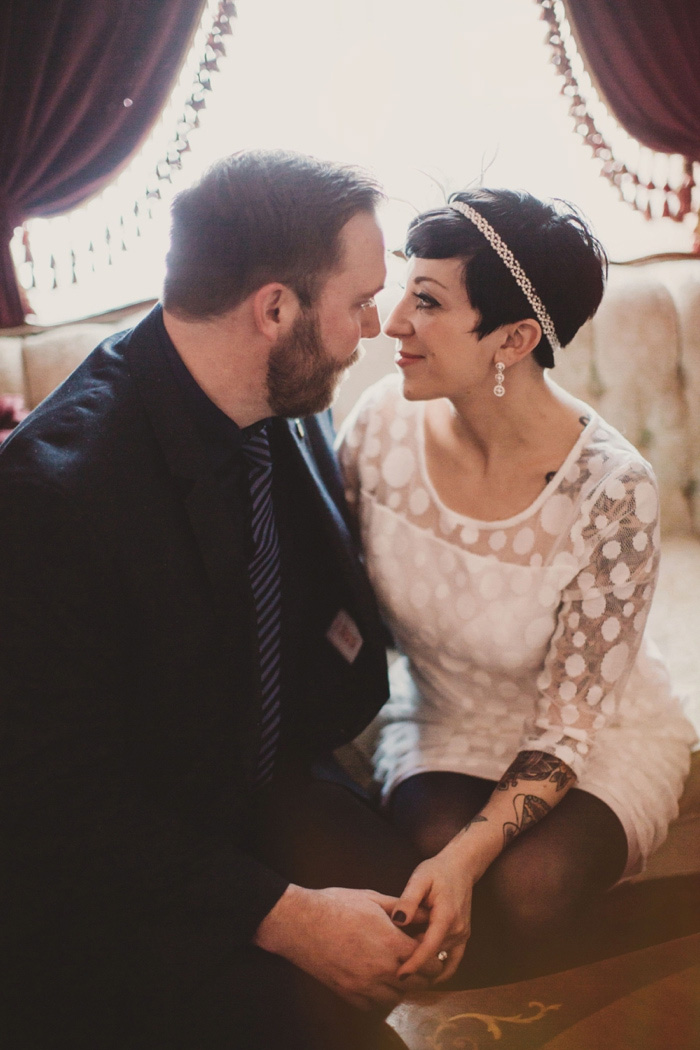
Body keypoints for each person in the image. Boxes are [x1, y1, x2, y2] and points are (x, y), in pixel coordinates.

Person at [0, 150, 441, 1050]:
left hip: (258, 785)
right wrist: (288, 916)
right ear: (274, 309)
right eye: (359, 302)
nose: (374, 327)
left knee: (416, 916)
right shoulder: (54, 499)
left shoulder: (286, 394)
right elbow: (55, 805)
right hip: (118, 872)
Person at [337, 187, 698, 986]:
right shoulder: (378, 425)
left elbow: (571, 725)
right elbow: (335, 593)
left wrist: (471, 858)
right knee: (429, 875)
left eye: (427, 301)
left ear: (515, 338)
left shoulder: (611, 490)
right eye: (406, 288)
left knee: (527, 892)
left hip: (597, 736)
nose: (393, 321)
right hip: (447, 718)